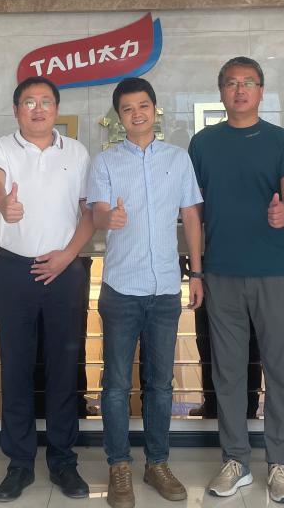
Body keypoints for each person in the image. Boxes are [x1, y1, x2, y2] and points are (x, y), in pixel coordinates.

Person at [188, 56, 284, 504]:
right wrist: (197, 270)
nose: (240, 90)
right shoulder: (203, 143)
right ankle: (235, 459)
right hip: (221, 272)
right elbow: (193, 211)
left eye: (248, 82)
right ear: (221, 92)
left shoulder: (282, 140)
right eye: (231, 83)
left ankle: (280, 463)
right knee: (228, 372)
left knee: (280, 368)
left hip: (274, 271)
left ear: (261, 91)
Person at [87, 77, 205, 508]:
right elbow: (96, 213)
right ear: (119, 117)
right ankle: (119, 465)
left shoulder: (177, 159)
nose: (136, 114)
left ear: (155, 110)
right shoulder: (105, 162)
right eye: (127, 108)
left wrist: (196, 273)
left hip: (165, 288)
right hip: (121, 287)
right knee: (116, 383)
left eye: (143, 106)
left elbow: (191, 217)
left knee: (160, 383)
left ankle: (157, 463)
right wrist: (109, 219)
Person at [0, 76, 95, 502]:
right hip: (14, 270)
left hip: (65, 269)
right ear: (16, 111)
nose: (38, 109)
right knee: (16, 366)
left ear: (57, 109)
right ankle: (19, 464)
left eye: (46, 101)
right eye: (29, 102)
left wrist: (68, 255)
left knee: (64, 367)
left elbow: (89, 213)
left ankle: (64, 461)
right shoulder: (0, 147)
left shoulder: (77, 152)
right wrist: (2, 203)